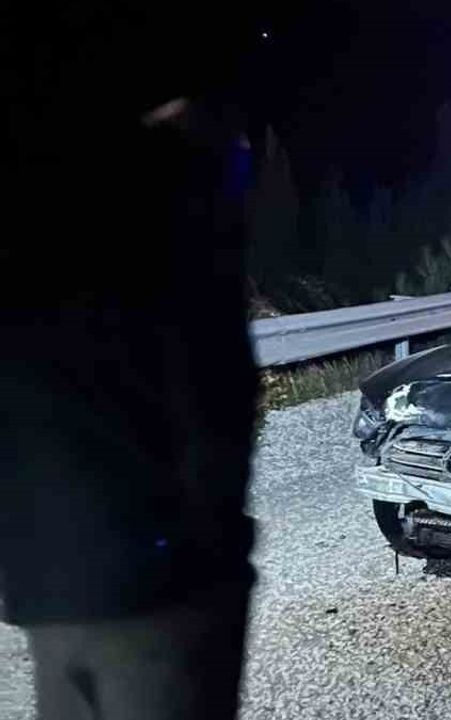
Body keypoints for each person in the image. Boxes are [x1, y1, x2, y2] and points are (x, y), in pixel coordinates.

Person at [2, 5, 259, 719]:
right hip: (155, 593)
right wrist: (215, 551)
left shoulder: (35, 198)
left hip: (46, 587)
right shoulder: (175, 203)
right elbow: (214, 391)